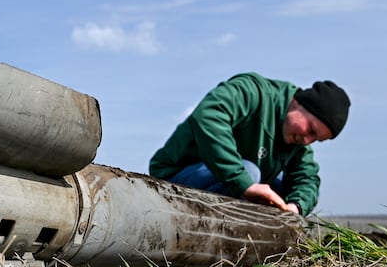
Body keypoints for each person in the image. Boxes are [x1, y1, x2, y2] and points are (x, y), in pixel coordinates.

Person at [148, 73, 349, 216]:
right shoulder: (254, 92)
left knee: (278, 190)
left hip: (224, 184)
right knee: (251, 172)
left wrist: (294, 207)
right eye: (311, 129)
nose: (307, 140)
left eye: (316, 139)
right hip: (172, 179)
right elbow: (209, 115)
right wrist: (244, 183)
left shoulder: (298, 140)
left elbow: (307, 178)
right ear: (298, 103)